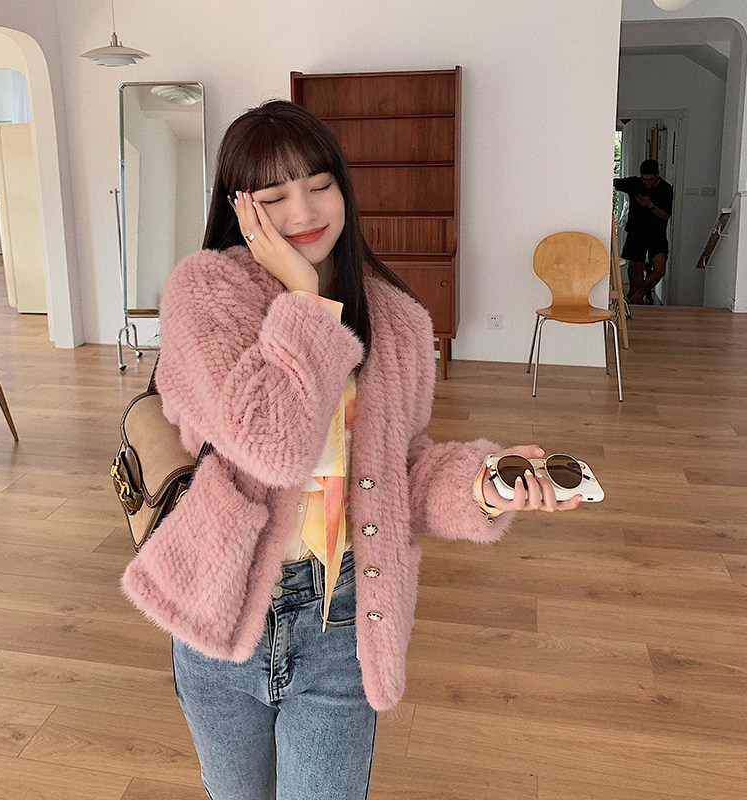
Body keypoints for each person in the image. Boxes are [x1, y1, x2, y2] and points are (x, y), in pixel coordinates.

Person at [121, 100, 581, 800]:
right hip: (222, 609)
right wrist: (306, 301)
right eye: (274, 196)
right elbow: (269, 444)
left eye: (320, 184)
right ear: (239, 207)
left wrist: (485, 483)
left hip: (343, 621)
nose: (304, 211)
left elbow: (401, 473)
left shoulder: (396, 319)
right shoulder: (206, 293)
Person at [614, 158, 673, 305]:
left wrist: (650, 205)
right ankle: (637, 300)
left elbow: (665, 215)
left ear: (657, 175)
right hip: (636, 231)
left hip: (657, 233)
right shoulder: (635, 183)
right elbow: (612, 182)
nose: (646, 182)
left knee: (659, 270)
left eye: (650, 179)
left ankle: (638, 295)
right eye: (644, 179)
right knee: (638, 266)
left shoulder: (665, 189)